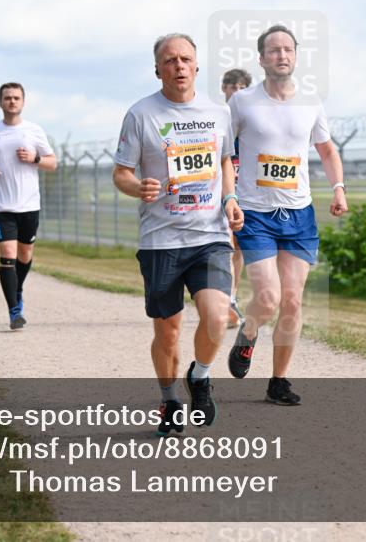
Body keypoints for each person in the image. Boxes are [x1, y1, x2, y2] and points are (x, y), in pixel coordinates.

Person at [112, 33, 243, 436]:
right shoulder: (141, 114)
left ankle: (199, 376)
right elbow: (121, 173)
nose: (179, 66)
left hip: (210, 235)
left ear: (197, 66)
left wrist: (231, 197)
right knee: (167, 331)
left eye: (186, 59)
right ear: (158, 69)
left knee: (217, 316)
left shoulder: (218, 113)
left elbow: (224, 161)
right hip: (161, 241)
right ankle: (170, 400)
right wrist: (138, 187)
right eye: (170, 60)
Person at [226, 24, 348, 406]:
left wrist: (338, 188)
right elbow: (224, 154)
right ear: (261, 59)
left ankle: (279, 380)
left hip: (298, 214)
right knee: (267, 299)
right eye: (274, 50)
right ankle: (248, 332)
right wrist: (229, 196)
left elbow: (327, 152)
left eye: (288, 49)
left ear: (296, 56)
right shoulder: (242, 102)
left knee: (292, 301)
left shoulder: (311, 102)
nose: (282, 55)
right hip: (255, 213)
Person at [0, 82, 57, 330]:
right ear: (0, 102)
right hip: (1, 206)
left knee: (25, 255)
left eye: (16, 98)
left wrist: (34, 158)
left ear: (23, 102)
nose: (12, 101)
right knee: (8, 256)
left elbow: (52, 162)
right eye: (7, 98)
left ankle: (18, 288)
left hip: (29, 205)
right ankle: (14, 311)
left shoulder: (33, 130)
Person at [221, 68, 253, 328]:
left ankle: (231, 297)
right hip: (223, 194)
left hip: (247, 194)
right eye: (233, 87)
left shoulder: (252, 123)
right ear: (224, 89)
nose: (237, 92)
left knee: (238, 248)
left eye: (242, 88)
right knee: (227, 247)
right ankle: (225, 299)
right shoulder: (219, 120)